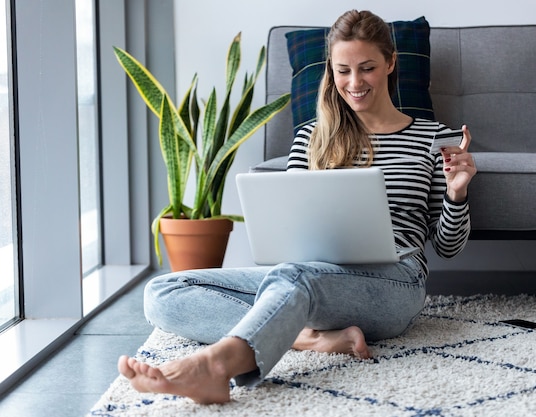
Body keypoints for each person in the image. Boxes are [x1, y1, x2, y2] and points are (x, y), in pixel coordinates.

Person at [117, 9, 477, 405]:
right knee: (164, 290)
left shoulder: (434, 138)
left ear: (390, 63)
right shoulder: (311, 137)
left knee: (295, 277)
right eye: (343, 70)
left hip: (396, 283)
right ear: (331, 70)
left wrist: (456, 193)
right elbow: (290, 234)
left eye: (367, 68)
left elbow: (447, 247)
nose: (354, 83)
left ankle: (217, 367)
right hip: (306, 274)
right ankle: (310, 337)